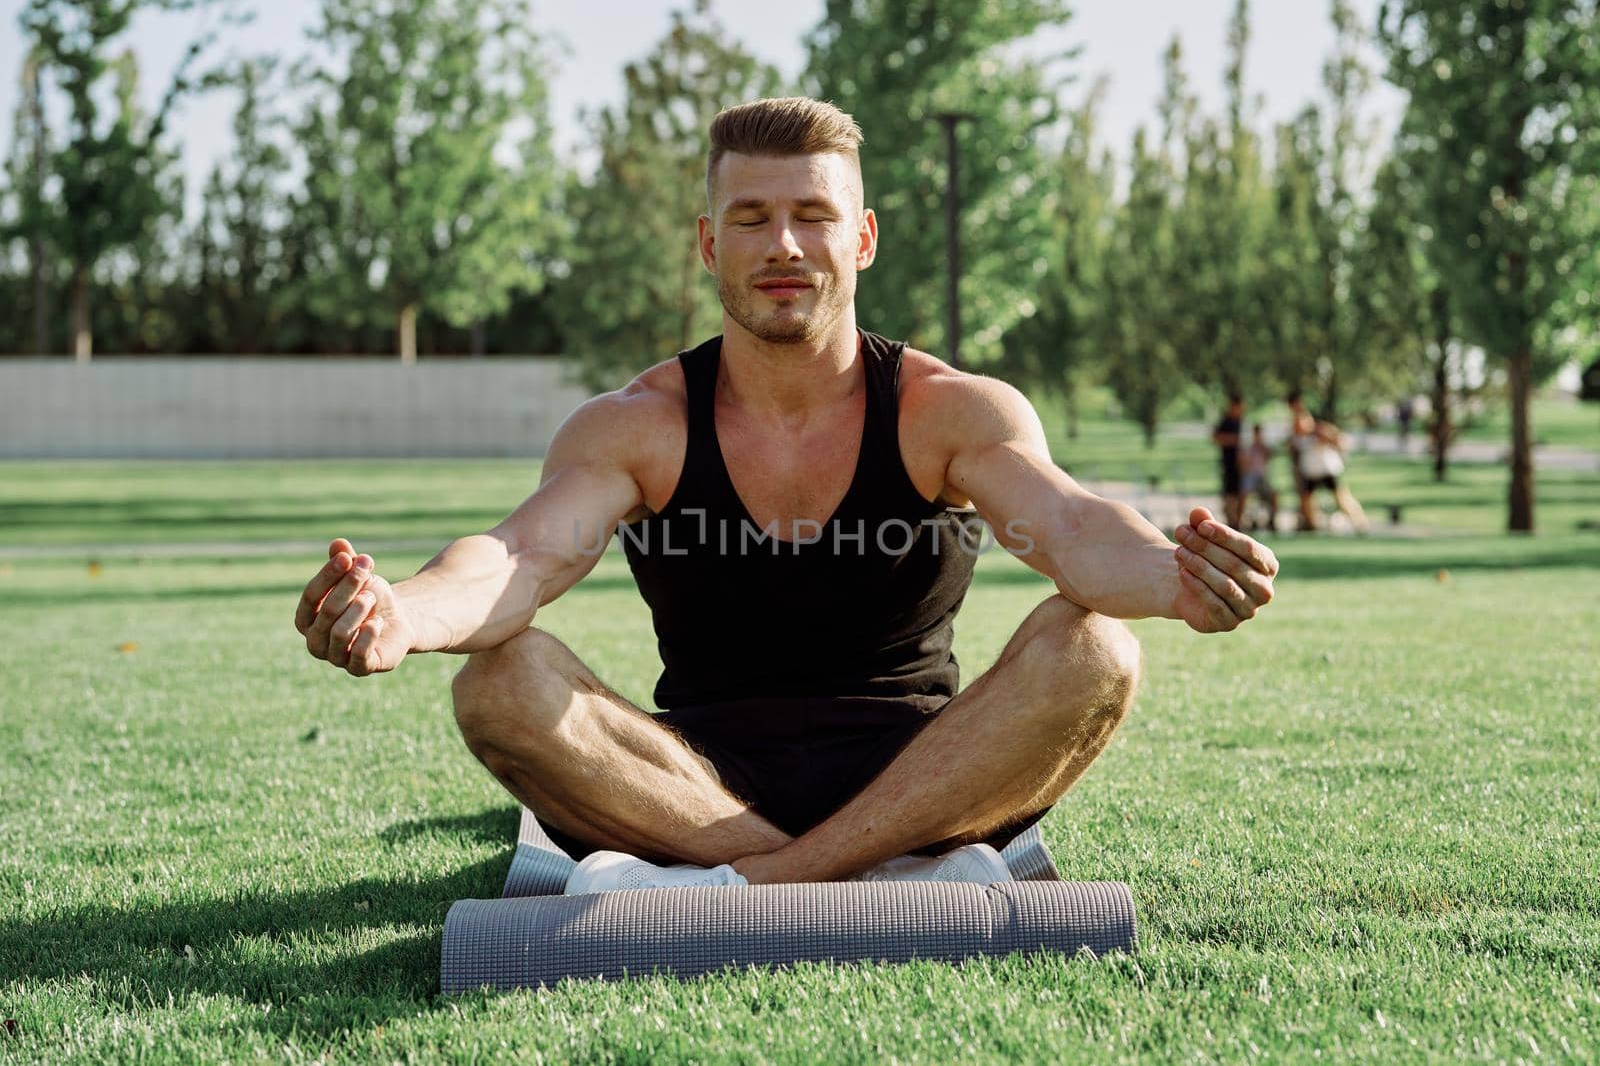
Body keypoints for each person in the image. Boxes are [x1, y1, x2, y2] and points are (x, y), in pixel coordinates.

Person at [293, 98, 1279, 894]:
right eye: (751, 219)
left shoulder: (945, 410)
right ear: (706, 242)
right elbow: (518, 557)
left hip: (927, 773)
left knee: (1098, 645)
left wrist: (1171, 571)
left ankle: (767, 879)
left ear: (861, 237)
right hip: (690, 781)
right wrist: (401, 610)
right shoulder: (637, 422)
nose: (784, 245)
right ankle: (847, 872)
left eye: (811, 215)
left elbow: (1068, 524)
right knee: (498, 681)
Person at [1287, 392, 1368, 533]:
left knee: (1341, 497)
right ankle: (1312, 525)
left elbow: (1340, 441)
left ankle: (1360, 523)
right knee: (1306, 500)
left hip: (1327, 470)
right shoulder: (1298, 438)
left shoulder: (1319, 432)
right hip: (1310, 472)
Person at [1212, 395, 1245, 530]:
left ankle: (1237, 520)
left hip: (1240, 465)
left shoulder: (1240, 422)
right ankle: (1232, 520)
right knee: (1230, 494)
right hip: (1229, 463)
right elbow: (1216, 437)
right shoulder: (1226, 422)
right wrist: (1234, 440)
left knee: (1239, 493)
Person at [1238, 424, 1279, 533]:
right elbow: (1243, 464)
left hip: (1261, 477)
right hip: (1249, 476)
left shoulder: (1263, 447)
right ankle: (1240, 522)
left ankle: (1272, 521)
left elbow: (1270, 455)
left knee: (1273, 495)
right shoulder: (1246, 447)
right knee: (1245, 495)